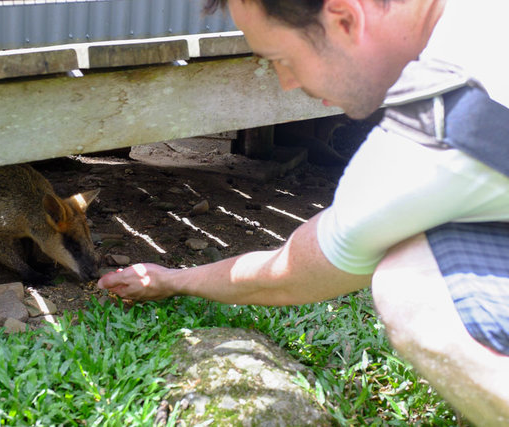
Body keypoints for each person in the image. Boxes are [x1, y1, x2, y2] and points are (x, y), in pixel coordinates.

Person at [99, 0, 509, 422]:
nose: (287, 82)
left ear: (345, 18)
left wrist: (173, 280)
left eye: (283, 59)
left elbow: (288, 273)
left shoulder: (433, 134)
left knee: (409, 281)